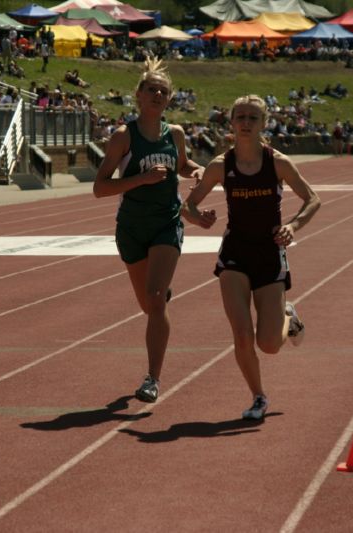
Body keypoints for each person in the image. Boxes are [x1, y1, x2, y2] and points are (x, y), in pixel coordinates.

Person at [181, 95, 321, 420]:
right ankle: (258, 397)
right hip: (235, 254)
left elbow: (313, 199)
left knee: (269, 344)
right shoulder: (220, 166)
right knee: (242, 335)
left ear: (264, 123)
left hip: (270, 254)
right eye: (240, 117)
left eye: (253, 118)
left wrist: (293, 225)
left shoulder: (278, 162)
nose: (245, 122)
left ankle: (289, 317)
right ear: (231, 123)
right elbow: (187, 205)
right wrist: (198, 218)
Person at [93, 57, 203, 403]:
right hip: (131, 229)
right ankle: (158, 296)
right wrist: (141, 179)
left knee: (155, 301)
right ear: (138, 95)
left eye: (163, 91)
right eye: (151, 89)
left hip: (166, 224)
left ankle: (152, 378)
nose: (157, 94)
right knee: (149, 304)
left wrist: (199, 171)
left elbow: (182, 165)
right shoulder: (123, 137)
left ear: (169, 100)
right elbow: (100, 187)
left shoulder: (176, 134)